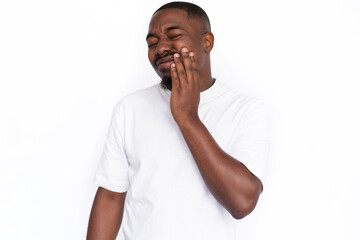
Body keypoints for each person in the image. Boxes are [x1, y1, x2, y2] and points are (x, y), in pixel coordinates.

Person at [87, 2, 269, 240]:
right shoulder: (130, 108)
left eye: (173, 36)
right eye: (152, 43)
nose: (160, 47)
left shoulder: (245, 110)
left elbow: (242, 202)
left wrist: (187, 118)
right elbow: (111, 197)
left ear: (207, 42)